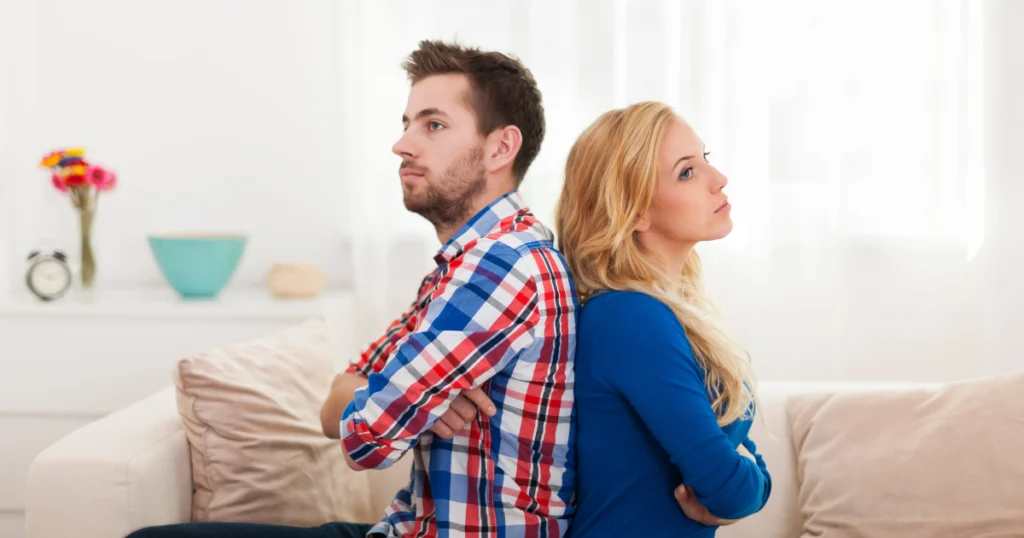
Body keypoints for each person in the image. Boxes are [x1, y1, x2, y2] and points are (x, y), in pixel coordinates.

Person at [127, 40, 577, 538]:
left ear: (500, 148)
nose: (402, 145)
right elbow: (334, 404)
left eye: (433, 125)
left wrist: (401, 396)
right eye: (405, 124)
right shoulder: (462, 266)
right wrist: (416, 397)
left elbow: (366, 439)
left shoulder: (502, 265)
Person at [554, 101, 771, 538]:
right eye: (687, 172)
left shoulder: (665, 310)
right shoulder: (630, 318)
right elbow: (729, 487)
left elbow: (733, 474)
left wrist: (751, 483)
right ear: (635, 212)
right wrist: (753, 483)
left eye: (704, 160)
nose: (719, 180)